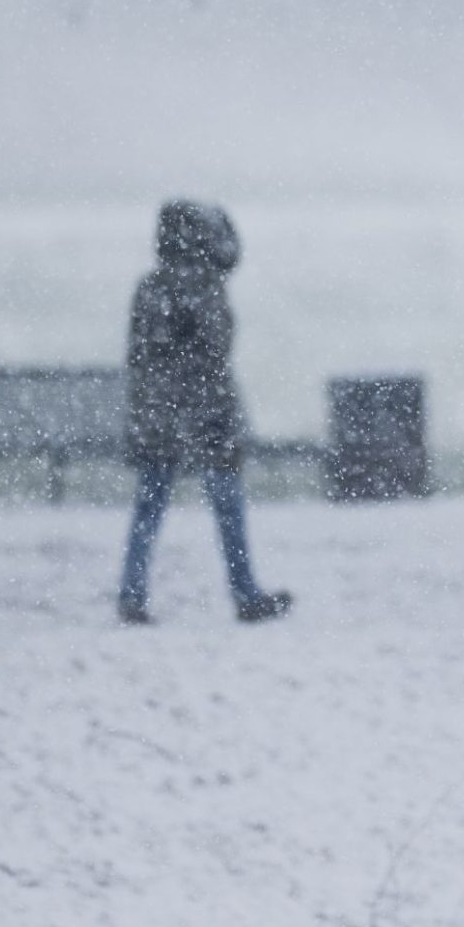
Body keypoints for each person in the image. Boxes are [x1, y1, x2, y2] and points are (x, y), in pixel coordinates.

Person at [118, 200, 292, 625]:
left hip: (157, 411)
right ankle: (244, 591)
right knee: (227, 505)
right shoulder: (206, 288)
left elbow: (138, 355)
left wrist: (152, 405)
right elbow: (215, 352)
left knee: (150, 504)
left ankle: (132, 592)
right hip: (206, 412)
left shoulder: (150, 287)